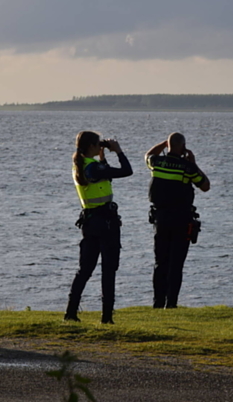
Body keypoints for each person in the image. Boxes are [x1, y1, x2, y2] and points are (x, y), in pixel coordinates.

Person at [65, 131, 133, 324]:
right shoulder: (94, 168)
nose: (100, 147)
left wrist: (103, 160)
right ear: (91, 147)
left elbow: (101, 177)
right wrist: (118, 151)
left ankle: (70, 312)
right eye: (98, 144)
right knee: (108, 270)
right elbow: (127, 171)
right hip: (106, 223)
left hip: (90, 222)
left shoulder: (82, 166)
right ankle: (107, 318)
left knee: (85, 269)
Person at [145, 132, 210, 309]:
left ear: (168, 145)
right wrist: (193, 163)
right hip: (181, 219)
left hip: (161, 219)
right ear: (183, 147)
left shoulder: (157, 163)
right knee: (176, 263)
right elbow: (205, 186)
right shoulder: (187, 167)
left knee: (160, 262)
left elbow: (148, 155)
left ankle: (157, 303)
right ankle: (171, 303)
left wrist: (164, 144)